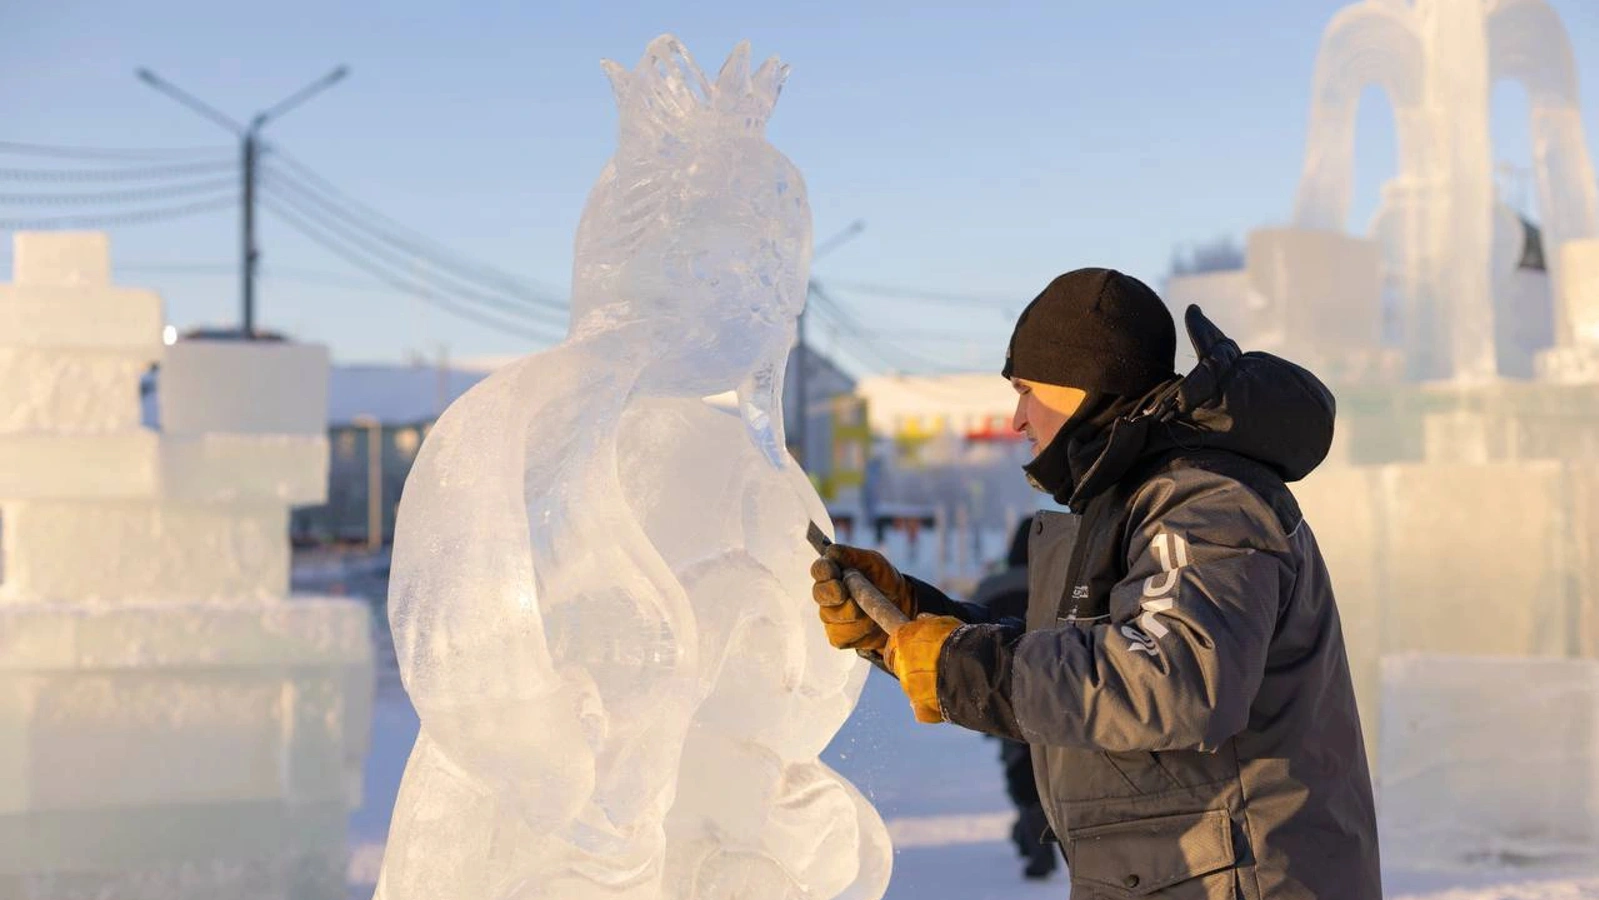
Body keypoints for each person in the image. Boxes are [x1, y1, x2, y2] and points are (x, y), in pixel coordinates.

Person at [810, 268, 1381, 899]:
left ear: (1085, 382)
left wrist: (964, 663)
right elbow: (1083, 658)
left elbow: (1173, 677)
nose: (1017, 419)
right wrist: (911, 618)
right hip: (1176, 873)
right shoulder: (1131, 499)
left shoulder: (1200, 498)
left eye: (1027, 390)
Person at [970, 517, 1056, 881]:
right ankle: (1036, 832)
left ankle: (1032, 834)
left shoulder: (993, 587)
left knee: (1020, 770)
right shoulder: (1061, 582)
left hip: (1003, 694)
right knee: (1052, 771)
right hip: (1059, 694)